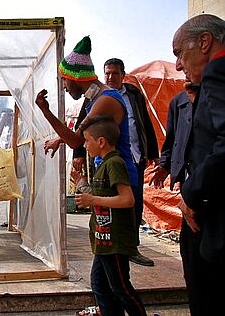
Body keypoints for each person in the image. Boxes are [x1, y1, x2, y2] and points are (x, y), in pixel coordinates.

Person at [35, 36, 138, 219]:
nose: (65, 87)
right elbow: (80, 133)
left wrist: (46, 111)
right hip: (107, 176)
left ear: (74, 78)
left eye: (64, 81)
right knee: (105, 240)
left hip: (119, 179)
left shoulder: (105, 100)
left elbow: (76, 140)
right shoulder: (94, 99)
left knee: (118, 241)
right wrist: (59, 140)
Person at [171, 13, 225, 315]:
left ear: (204, 42)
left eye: (179, 53)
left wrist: (191, 193)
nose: (178, 64)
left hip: (211, 215)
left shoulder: (218, 72)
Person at [75, 115, 146, 316]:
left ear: (101, 141)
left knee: (121, 288)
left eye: (87, 140)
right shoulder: (103, 164)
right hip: (103, 241)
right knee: (100, 285)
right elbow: (103, 194)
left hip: (114, 241)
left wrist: (93, 201)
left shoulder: (114, 163)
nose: (85, 145)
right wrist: (82, 184)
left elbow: (127, 199)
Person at [102, 58, 159, 267]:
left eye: (114, 74)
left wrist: (152, 151)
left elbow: (144, 121)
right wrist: (79, 153)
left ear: (123, 75)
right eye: (107, 73)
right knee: (109, 205)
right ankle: (110, 247)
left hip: (134, 157)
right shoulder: (100, 95)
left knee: (134, 204)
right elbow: (85, 122)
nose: (110, 77)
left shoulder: (133, 94)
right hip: (109, 161)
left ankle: (132, 247)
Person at [149, 85, 198, 190]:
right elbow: (171, 139)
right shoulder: (178, 102)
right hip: (187, 173)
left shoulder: (215, 98)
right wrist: (164, 166)